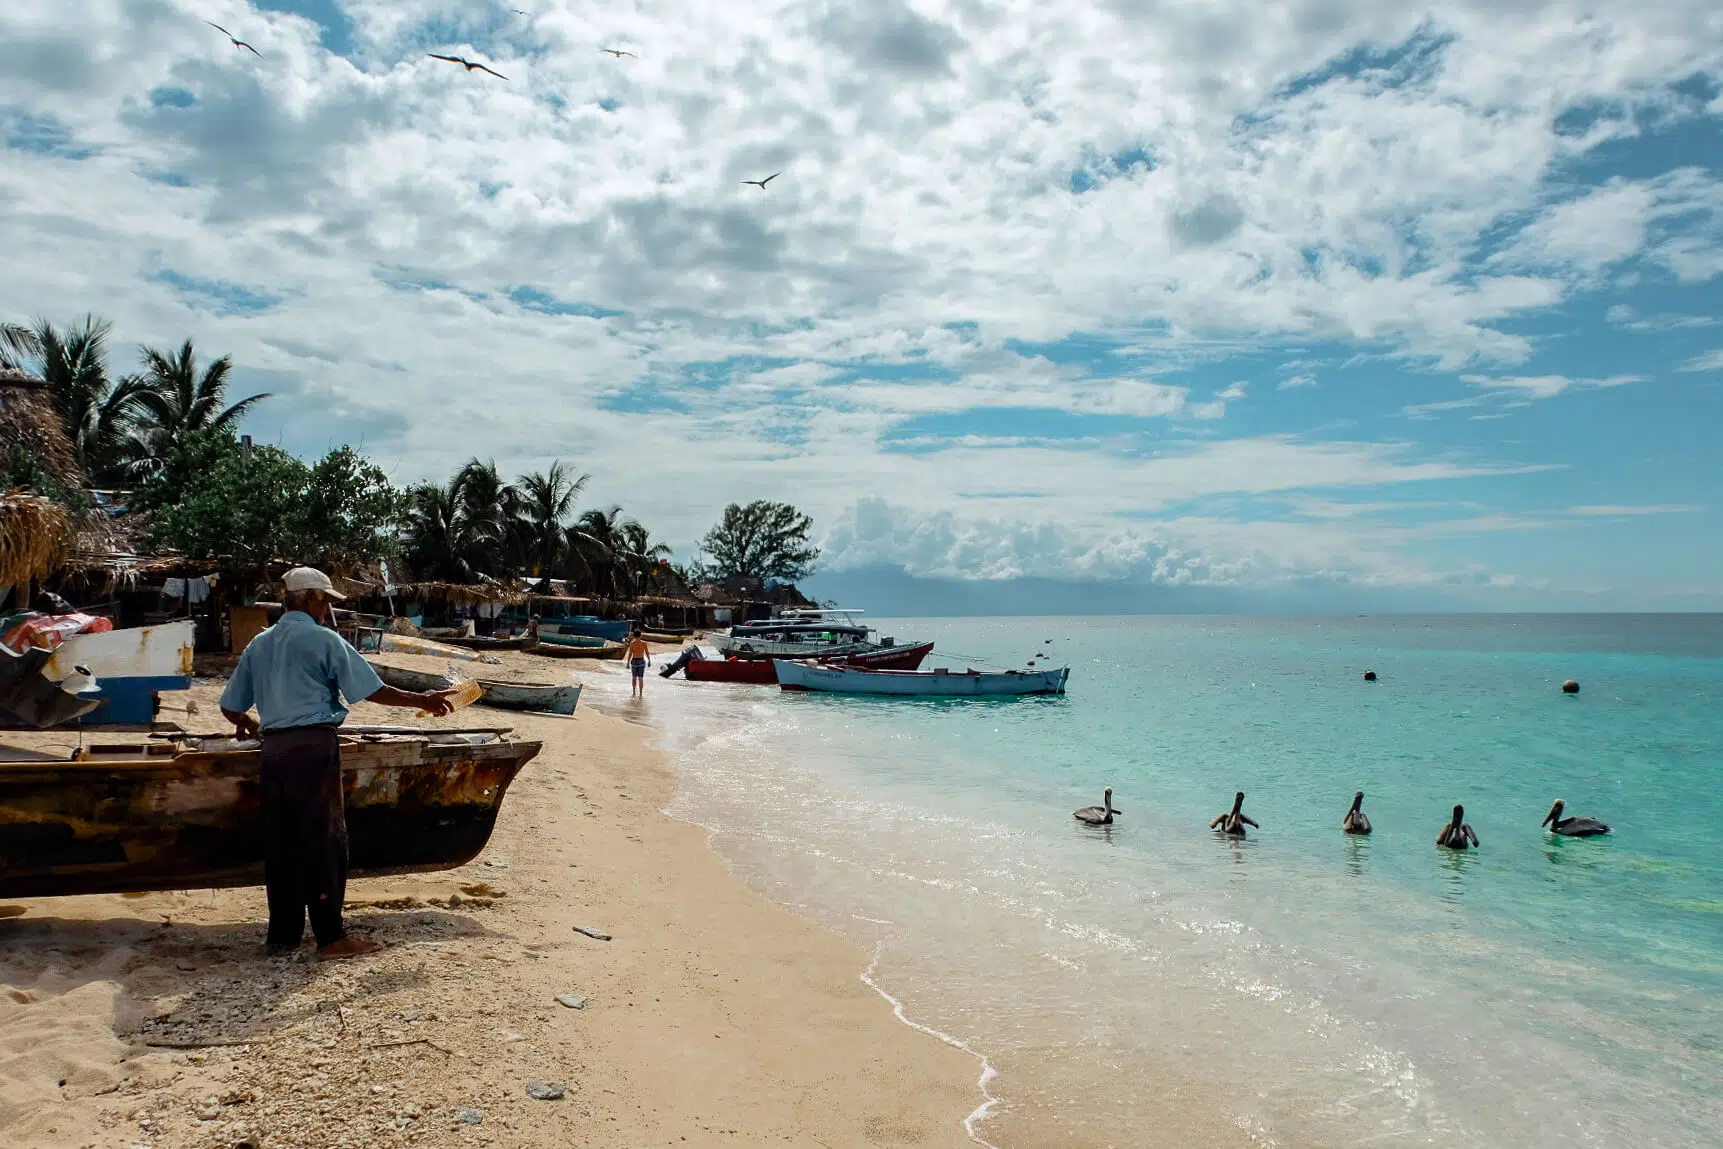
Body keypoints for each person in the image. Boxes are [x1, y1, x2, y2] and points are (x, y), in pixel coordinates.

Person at [220, 567, 458, 960]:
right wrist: (423, 700)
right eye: (327, 600)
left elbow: (231, 707)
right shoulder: (322, 639)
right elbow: (372, 690)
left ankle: (283, 936)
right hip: (313, 747)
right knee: (324, 839)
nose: (328, 608)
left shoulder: (259, 644)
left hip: (274, 752)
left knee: (282, 843)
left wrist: (249, 723)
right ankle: (331, 937)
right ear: (312, 599)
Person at [624, 627, 651, 698]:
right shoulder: (644, 643)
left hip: (634, 660)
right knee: (641, 678)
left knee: (634, 677)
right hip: (641, 660)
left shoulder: (632, 643)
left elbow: (630, 654)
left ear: (634, 635)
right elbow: (647, 653)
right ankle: (641, 694)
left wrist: (627, 663)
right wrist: (649, 661)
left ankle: (633, 693)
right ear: (640, 635)